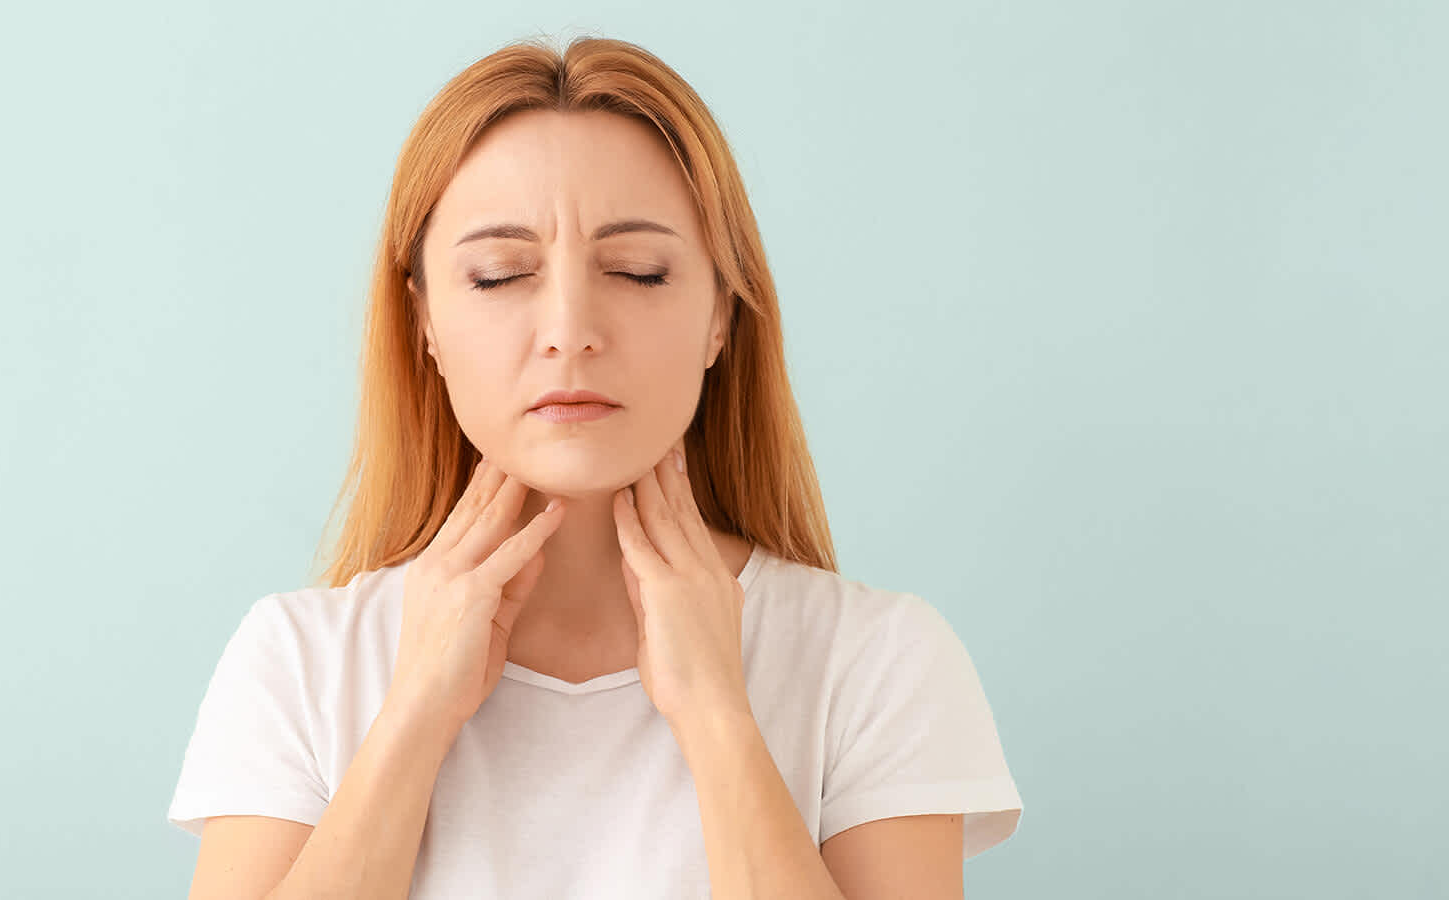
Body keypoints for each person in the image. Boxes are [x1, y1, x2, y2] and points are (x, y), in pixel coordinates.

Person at [167, 35, 1023, 900]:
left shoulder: (875, 660)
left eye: (636, 271)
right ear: (423, 322)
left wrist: (719, 718)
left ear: (720, 316)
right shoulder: (299, 660)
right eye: (500, 276)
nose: (570, 327)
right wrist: (415, 713)